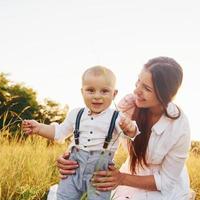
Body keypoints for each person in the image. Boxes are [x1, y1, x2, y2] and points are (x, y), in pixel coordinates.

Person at [56, 57, 192, 200]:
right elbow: (94, 132)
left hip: (161, 185)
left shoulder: (179, 127)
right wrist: (70, 157)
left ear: (165, 96)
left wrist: (121, 179)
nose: (136, 90)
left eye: (146, 88)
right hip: (131, 173)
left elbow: (167, 181)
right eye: (138, 81)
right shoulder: (128, 106)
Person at [22, 66, 140, 200]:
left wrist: (130, 128)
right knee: (64, 197)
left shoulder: (117, 117)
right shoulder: (76, 114)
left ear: (114, 94)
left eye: (104, 91)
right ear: (82, 92)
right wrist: (39, 128)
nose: (97, 96)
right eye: (90, 90)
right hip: (74, 168)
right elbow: (59, 132)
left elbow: (131, 133)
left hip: (99, 172)